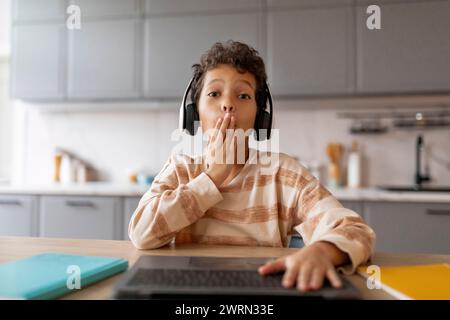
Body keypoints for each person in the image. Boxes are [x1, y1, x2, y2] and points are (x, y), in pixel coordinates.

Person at [129, 40, 376, 292]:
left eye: (243, 95)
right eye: (214, 93)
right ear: (193, 113)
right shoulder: (182, 168)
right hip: (191, 289)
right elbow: (141, 234)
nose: (228, 104)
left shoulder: (282, 173)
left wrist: (324, 252)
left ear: (260, 117)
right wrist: (214, 175)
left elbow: (355, 230)